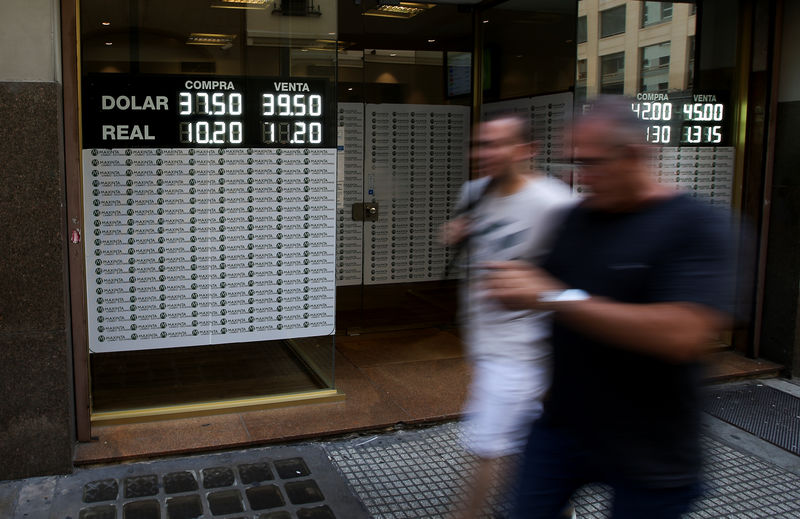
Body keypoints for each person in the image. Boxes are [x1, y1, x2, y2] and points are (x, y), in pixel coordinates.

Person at [483, 96, 737, 519]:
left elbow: (682, 334)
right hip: (564, 427)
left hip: (652, 444)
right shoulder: (577, 219)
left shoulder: (695, 225)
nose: (579, 177)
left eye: (591, 163)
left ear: (635, 154)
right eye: (573, 161)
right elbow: (542, 291)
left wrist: (551, 297)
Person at [442, 114, 576, 519]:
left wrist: (540, 292)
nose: (484, 154)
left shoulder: (556, 204)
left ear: (527, 150)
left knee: (487, 445)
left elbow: (580, 286)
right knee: (527, 442)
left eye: (497, 144)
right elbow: (472, 241)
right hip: (485, 340)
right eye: (480, 144)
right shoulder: (476, 191)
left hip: (525, 351)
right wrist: (455, 232)